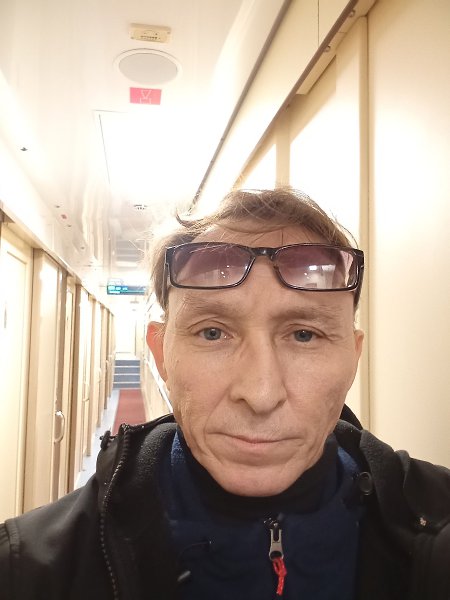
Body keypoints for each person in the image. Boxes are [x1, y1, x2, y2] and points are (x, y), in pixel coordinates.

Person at [0, 188, 449, 599]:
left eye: (304, 335)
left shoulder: (437, 524)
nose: (260, 394)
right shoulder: (27, 571)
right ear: (161, 354)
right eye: (213, 332)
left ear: (353, 357)